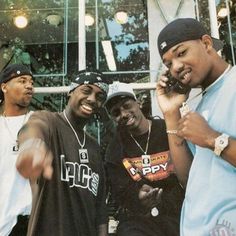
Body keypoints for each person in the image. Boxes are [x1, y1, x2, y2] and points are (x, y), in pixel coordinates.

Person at [156, 18, 236, 235]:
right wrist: (171, 114)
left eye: (181, 53)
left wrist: (213, 138)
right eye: (168, 63)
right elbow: (187, 179)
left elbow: (212, 140)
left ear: (207, 43)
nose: (176, 67)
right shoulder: (197, 107)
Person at [16, 70, 109, 236]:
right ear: (70, 92)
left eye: (100, 96)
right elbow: (33, 128)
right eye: (86, 90)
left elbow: (100, 208)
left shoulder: (94, 146)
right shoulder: (49, 121)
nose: (92, 99)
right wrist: (32, 146)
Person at [105, 81, 184, 236]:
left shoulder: (166, 129)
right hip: (139, 219)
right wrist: (138, 195)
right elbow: (120, 191)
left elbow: (189, 172)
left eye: (127, 106)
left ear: (138, 102)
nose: (124, 114)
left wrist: (166, 200)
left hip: (177, 211)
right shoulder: (115, 148)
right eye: (116, 112)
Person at [0, 63, 34, 236]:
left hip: (33, 221)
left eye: (31, 82)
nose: (29, 85)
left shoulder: (39, 122)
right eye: (22, 81)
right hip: (3, 224)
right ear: (4, 87)